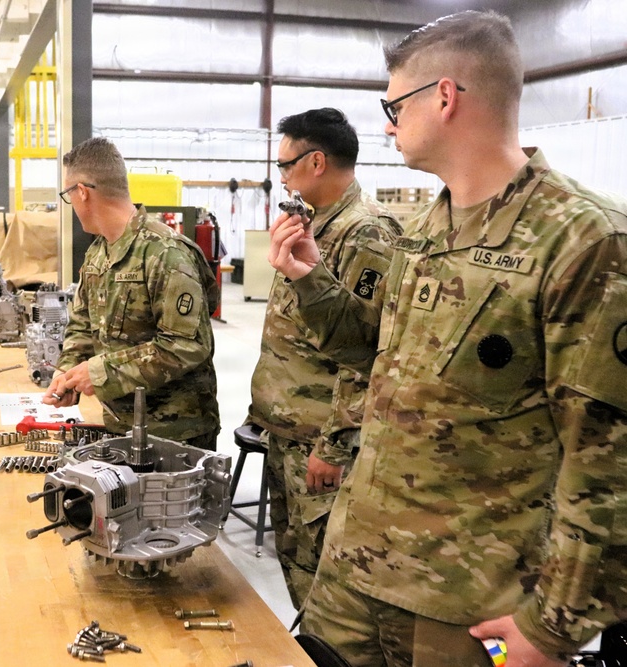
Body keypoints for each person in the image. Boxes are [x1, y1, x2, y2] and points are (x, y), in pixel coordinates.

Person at [270, 11, 627, 667]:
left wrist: (555, 625)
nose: (387, 126)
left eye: (394, 106)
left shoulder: (584, 241)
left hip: (464, 599)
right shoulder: (424, 232)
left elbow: (608, 462)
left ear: (443, 96)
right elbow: (371, 353)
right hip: (355, 573)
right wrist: (311, 280)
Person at [247, 108, 400, 611]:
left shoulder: (366, 233)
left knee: (325, 587)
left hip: (319, 440)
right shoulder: (312, 224)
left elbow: (368, 351)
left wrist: (334, 445)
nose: (281, 177)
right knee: (296, 567)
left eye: (285, 165)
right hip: (287, 432)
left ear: (316, 162)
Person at [44, 137, 220, 449]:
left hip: (175, 435)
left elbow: (187, 345)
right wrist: (68, 372)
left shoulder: (165, 253)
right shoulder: (98, 253)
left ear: (81, 192)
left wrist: (100, 372)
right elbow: (82, 324)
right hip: (121, 425)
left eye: (67, 195)